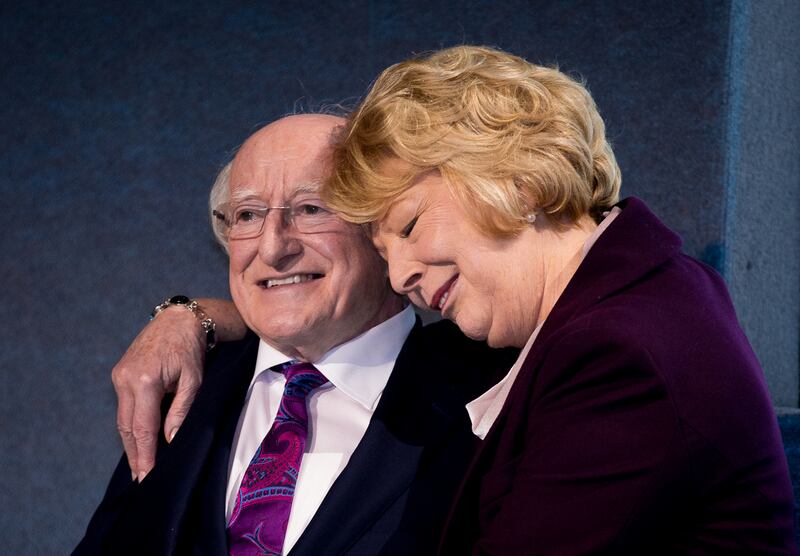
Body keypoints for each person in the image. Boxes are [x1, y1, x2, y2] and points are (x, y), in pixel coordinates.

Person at [107, 48, 797, 554]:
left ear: (517, 181)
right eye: (245, 217)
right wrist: (194, 316)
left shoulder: (616, 352)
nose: (402, 273)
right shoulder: (645, 291)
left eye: (407, 227)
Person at [73, 114, 513, 556]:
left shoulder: (498, 390)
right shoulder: (185, 386)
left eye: (311, 209)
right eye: (247, 215)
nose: (272, 248)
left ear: (385, 228)